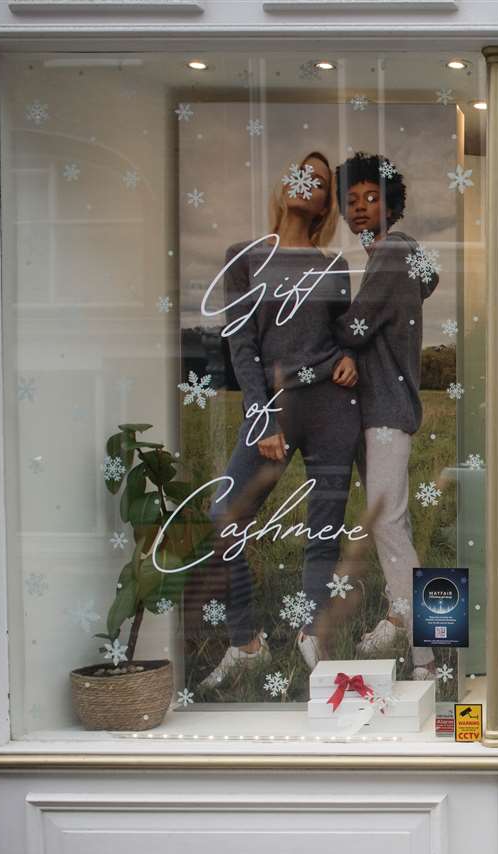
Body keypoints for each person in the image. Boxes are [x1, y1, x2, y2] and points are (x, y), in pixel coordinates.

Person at [200, 152, 361, 690]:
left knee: (323, 529)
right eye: (300, 173)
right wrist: (262, 412)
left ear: (323, 204)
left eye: (319, 182)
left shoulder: (332, 265)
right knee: (225, 513)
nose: (307, 184)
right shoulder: (244, 257)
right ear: (282, 185)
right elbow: (240, 344)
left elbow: (346, 334)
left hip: (332, 410)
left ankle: (310, 632)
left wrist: (351, 357)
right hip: (275, 407)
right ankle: (246, 644)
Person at [331, 152, 440, 678]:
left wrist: (327, 333)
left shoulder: (392, 252)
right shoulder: (398, 256)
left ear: (391, 204)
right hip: (381, 408)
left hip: (385, 410)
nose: (359, 210)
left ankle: (424, 651)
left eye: (371, 199)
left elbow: (354, 325)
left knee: (390, 525)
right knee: (390, 522)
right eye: (351, 201)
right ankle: (403, 617)